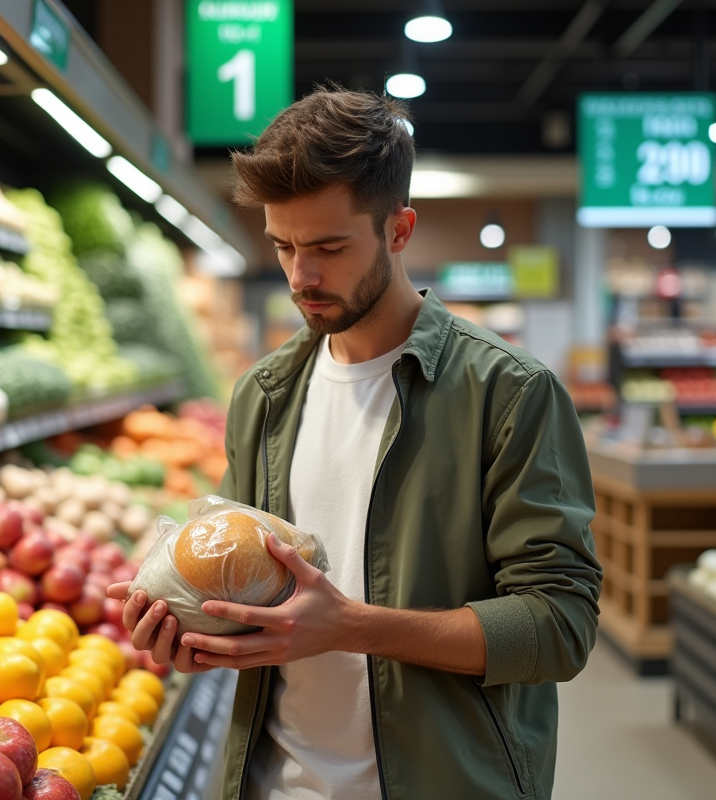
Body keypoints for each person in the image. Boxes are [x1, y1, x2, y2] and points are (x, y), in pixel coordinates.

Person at [107, 86, 602, 800]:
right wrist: (193, 632)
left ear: (399, 231)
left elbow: (560, 625)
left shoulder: (508, 393)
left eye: (329, 248)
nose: (300, 276)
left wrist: (351, 627)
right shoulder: (262, 396)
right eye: (283, 246)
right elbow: (251, 599)